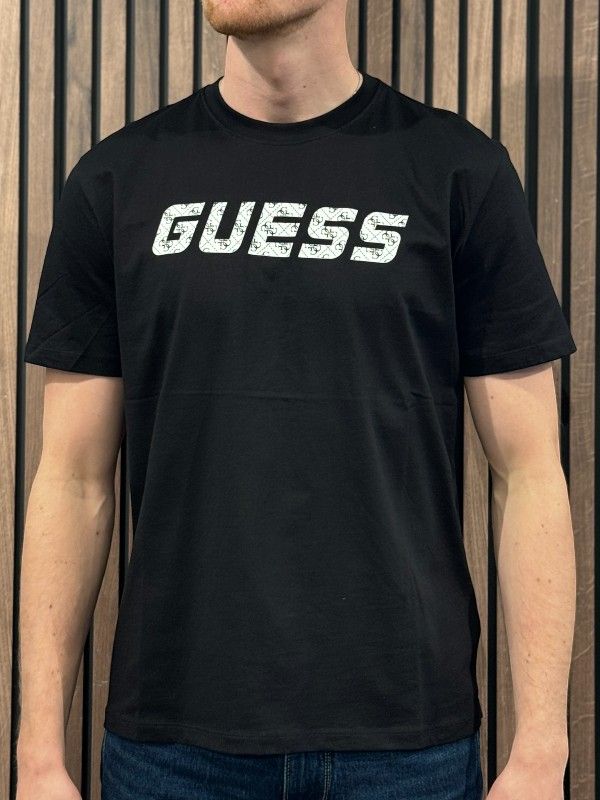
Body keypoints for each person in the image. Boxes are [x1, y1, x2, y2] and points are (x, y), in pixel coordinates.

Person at [16, 0, 577, 798]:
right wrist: (38, 753)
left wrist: (542, 749)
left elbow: (529, 474)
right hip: (173, 752)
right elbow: (71, 482)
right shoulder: (117, 179)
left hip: (405, 752)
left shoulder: (458, 170)